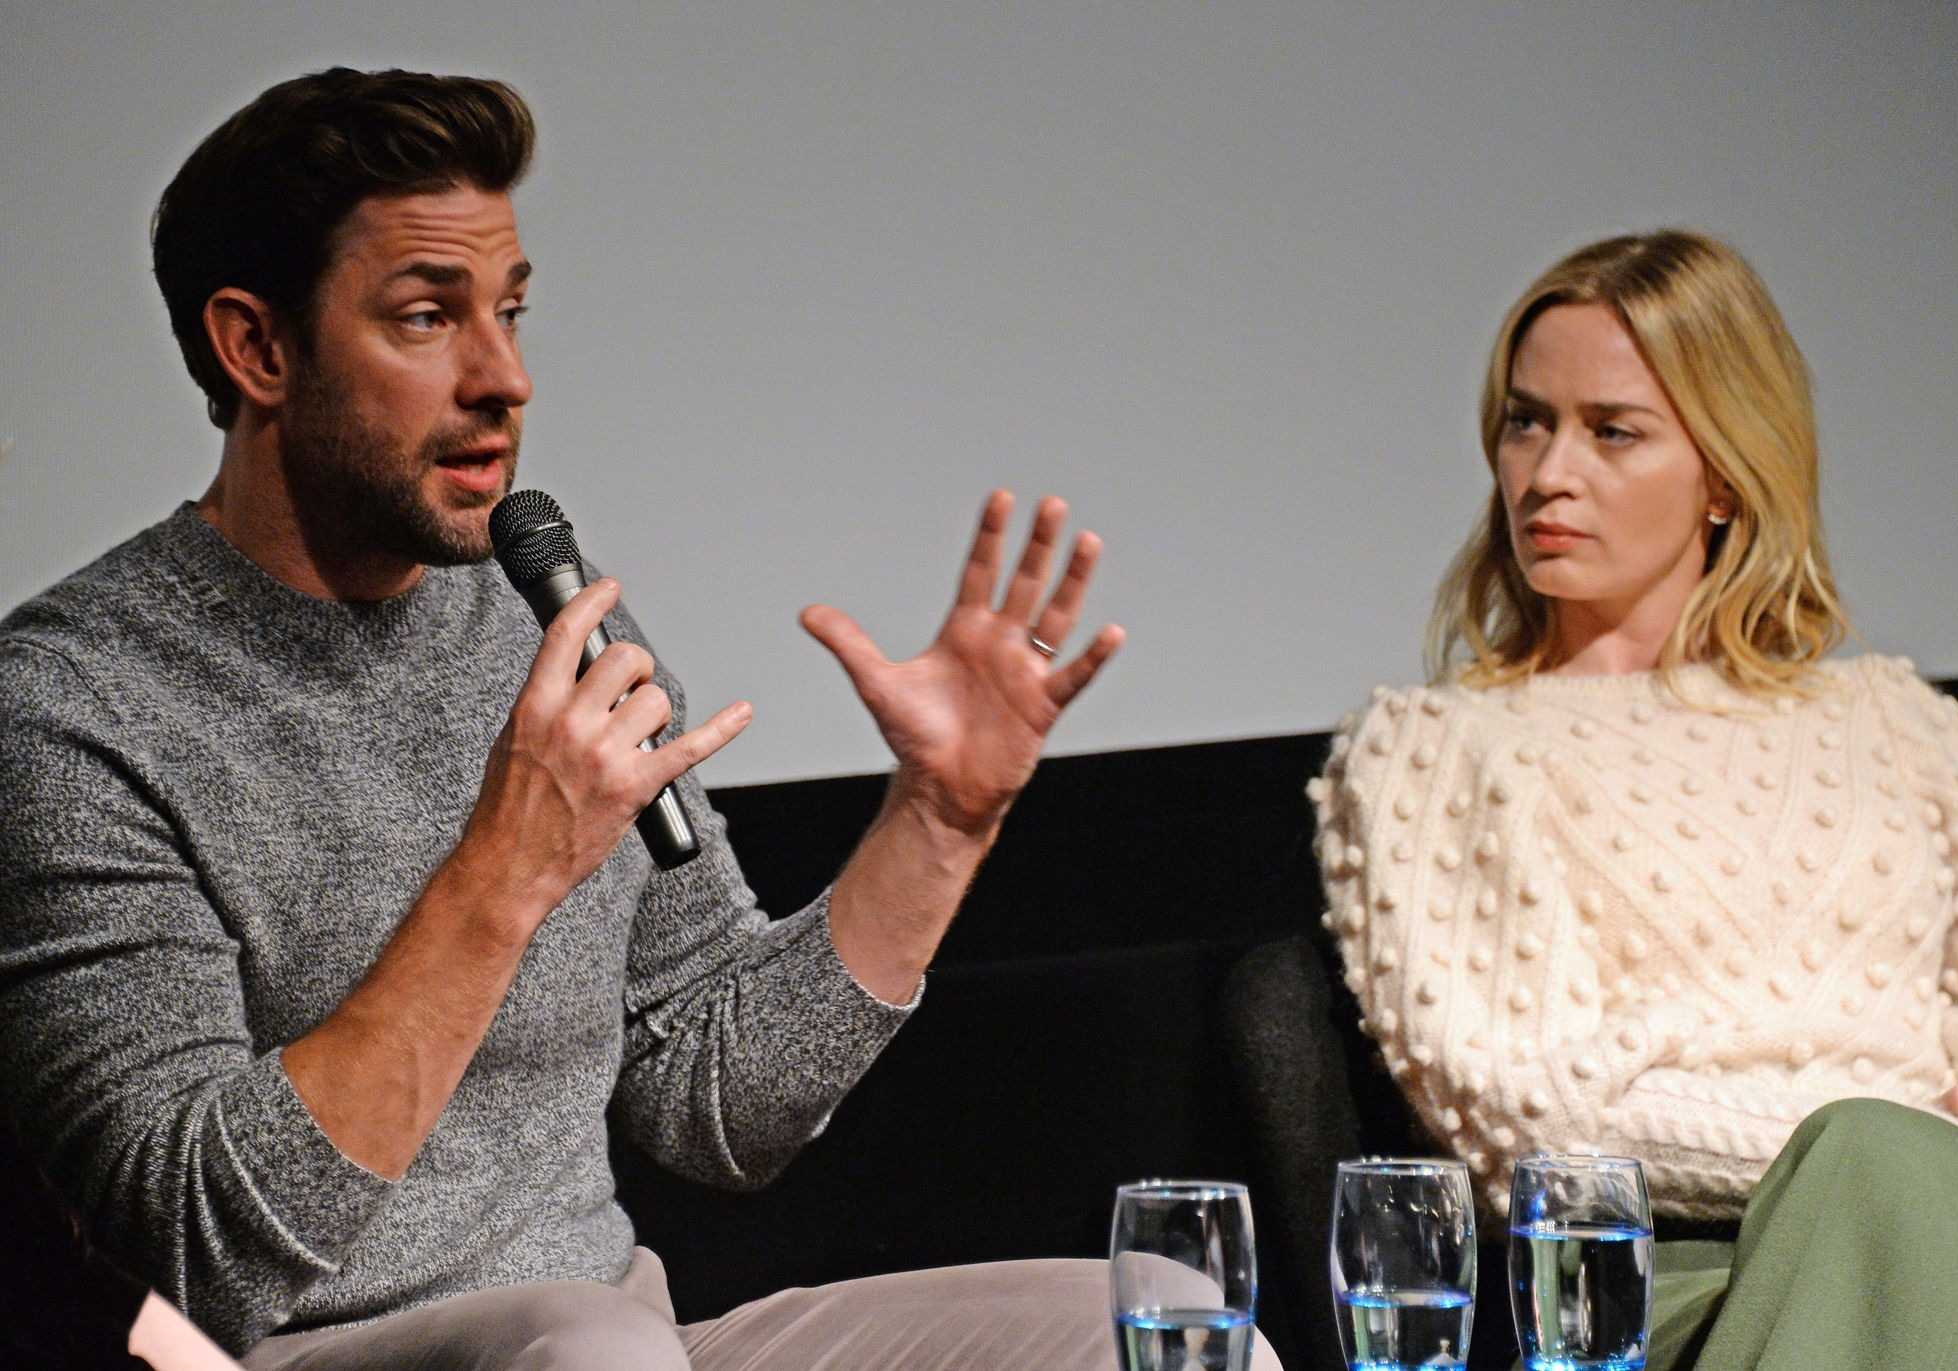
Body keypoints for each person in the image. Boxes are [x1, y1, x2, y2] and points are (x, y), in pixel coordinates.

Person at [0, 66, 1281, 1371]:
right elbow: (196, 1243)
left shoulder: (534, 609)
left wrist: (939, 822)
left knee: (1153, 1322)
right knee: (586, 1338)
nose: (506, 378)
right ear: (258, 347)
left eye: (509, 312)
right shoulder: (77, 704)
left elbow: (720, 1100)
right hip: (302, 1355)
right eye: (429, 316)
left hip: (624, 1340)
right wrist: (503, 875)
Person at [1313, 229, 1958, 1370]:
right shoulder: (1437, 750)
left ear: (1721, 469)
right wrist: (1877, 1138)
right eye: (1525, 422)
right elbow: (1537, 1124)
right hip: (1671, 1282)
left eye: (1610, 432)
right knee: (1894, 1195)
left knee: (1895, 1182)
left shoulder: (1889, 719)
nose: (1547, 473)